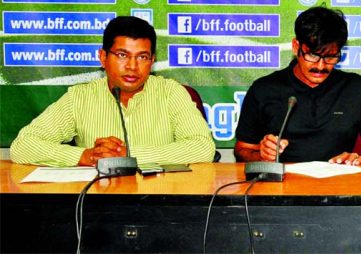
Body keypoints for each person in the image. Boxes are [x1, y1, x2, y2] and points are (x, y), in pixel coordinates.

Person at [10, 16, 215, 167]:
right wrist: (86, 156)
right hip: (97, 206)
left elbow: (203, 147)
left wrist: (130, 155)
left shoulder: (171, 92)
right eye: (122, 55)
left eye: (142, 57)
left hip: (159, 204)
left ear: (152, 61)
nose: (133, 66)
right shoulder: (79, 98)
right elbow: (22, 146)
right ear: (103, 57)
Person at [234, 6, 361, 165]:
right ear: (296, 47)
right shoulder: (264, 89)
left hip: (340, 185)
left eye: (331, 57)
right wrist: (262, 156)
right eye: (312, 55)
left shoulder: (355, 87)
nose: (321, 66)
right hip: (281, 186)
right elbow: (243, 150)